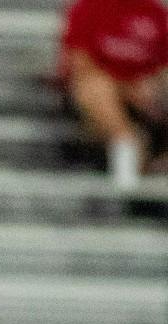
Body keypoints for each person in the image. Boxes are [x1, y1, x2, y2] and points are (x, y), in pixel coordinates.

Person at [60, 0, 168, 190]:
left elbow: (163, 67)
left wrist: (152, 84)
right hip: (96, 100)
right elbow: (80, 65)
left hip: (144, 99)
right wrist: (127, 87)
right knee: (96, 87)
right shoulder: (88, 8)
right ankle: (126, 145)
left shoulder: (156, 12)